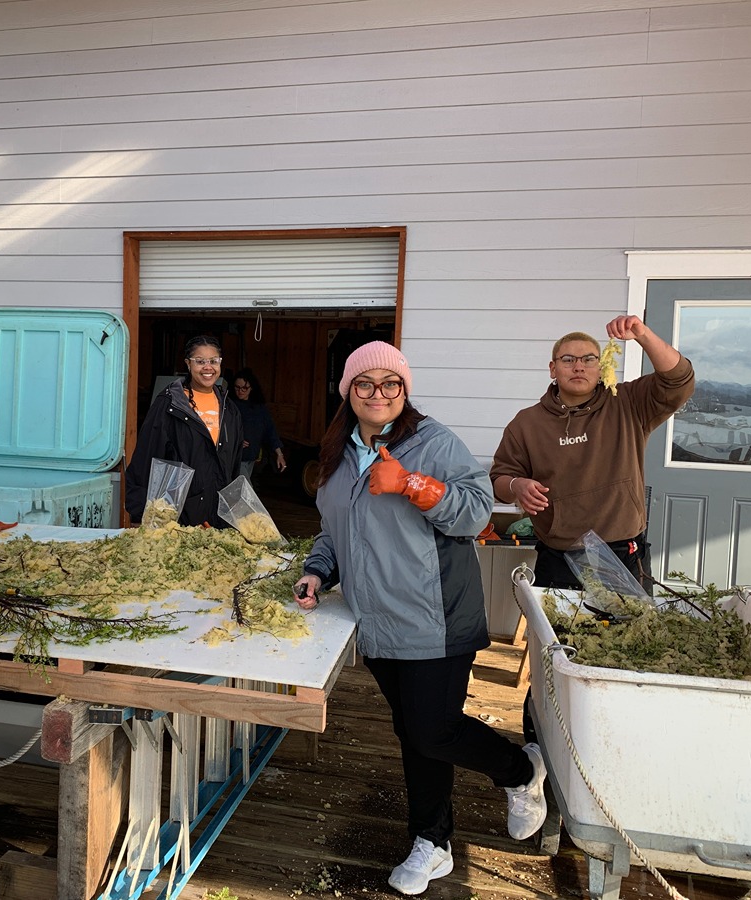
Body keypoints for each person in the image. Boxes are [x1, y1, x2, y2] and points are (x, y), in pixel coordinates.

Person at [291, 341, 547, 895]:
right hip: (377, 622)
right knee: (415, 732)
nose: (378, 394)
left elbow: (476, 513)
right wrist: (318, 571)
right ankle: (434, 842)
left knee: (434, 730)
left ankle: (522, 771)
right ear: (348, 392)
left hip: (437, 616)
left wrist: (413, 484)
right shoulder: (339, 454)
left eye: (391, 384)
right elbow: (335, 532)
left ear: (404, 391)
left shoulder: (433, 443)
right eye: (365, 384)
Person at [490, 315, 695, 590]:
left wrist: (643, 334)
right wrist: (517, 485)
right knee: (558, 634)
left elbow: (679, 380)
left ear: (600, 367)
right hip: (559, 556)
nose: (578, 367)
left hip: (624, 554)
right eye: (568, 360)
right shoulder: (526, 423)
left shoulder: (629, 403)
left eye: (588, 359)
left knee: (628, 633)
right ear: (553, 368)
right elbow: (499, 482)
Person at [125, 335, 243, 527]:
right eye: (200, 361)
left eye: (213, 361)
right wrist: (139, 513)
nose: (208, 367)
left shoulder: (230, 410)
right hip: (179, 519)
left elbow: (234, 466)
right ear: (188, 364)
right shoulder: (170, 405)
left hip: (219, 519)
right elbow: (145, 459)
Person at [231, 368, 287, 482]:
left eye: (244, 388)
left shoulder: (259, 408)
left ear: (251, 388)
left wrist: (279, 454)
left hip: (251, 456)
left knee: (239, 492)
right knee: (246, 493)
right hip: (235, 458)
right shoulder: (229, 405)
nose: (240, 391)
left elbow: (270, 431)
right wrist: (235, 440)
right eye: (237, 387)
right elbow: (221, 430)